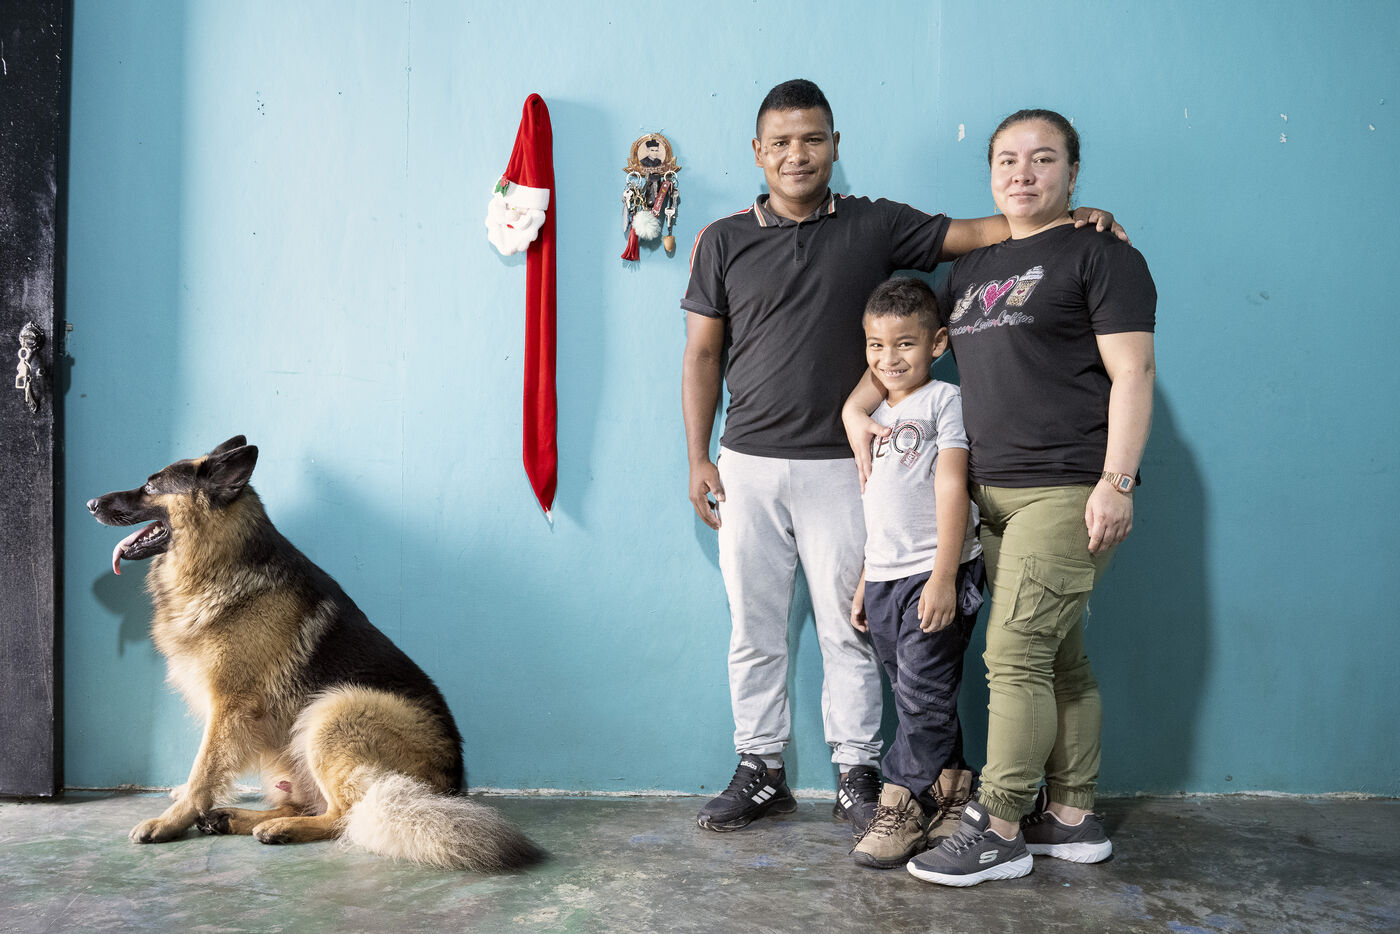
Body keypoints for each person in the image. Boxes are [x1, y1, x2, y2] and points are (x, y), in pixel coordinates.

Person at [682, 80, 1124, 837]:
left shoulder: (874, 223)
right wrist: (698, 456)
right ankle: (760, 768)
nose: (797, 154)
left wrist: (1069, 219)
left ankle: (858, 770)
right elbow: (701, 354)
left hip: (848, 466)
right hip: (747, 459)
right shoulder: (722, 239)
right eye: (781, 142)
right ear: (758, 152)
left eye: (813, 139)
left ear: (835, 146)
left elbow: (979, 231)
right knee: (753, 627)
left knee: (850, 627)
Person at [845, 108, 1156, 886]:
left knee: (1013, 655)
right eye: (1008, 159)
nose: (1023, 172)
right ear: (990, 173)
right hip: (989, 496)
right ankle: (1072, 817)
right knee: (1059, 658)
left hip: (1067, 486)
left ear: (1072, 173)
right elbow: (907, 348)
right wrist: (855, 409)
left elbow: (1134, 372)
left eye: (1043, 158)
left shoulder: (1102, 255)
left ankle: (1001, 827)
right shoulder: (970, 270)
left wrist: (1118, 481)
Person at [846, 278, 986, 869]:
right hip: (884, 577)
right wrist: (867, 577)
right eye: (876, 345)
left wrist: (944, 576)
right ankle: (953, 794)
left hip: (935, 571)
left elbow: (952, 486)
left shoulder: (944, 401)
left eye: (905, 343)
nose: (889, 358)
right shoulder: (871, 415)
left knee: (923, 697)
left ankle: (900, 804)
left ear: (937, 343)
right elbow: (878, 504)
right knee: (916, 696)